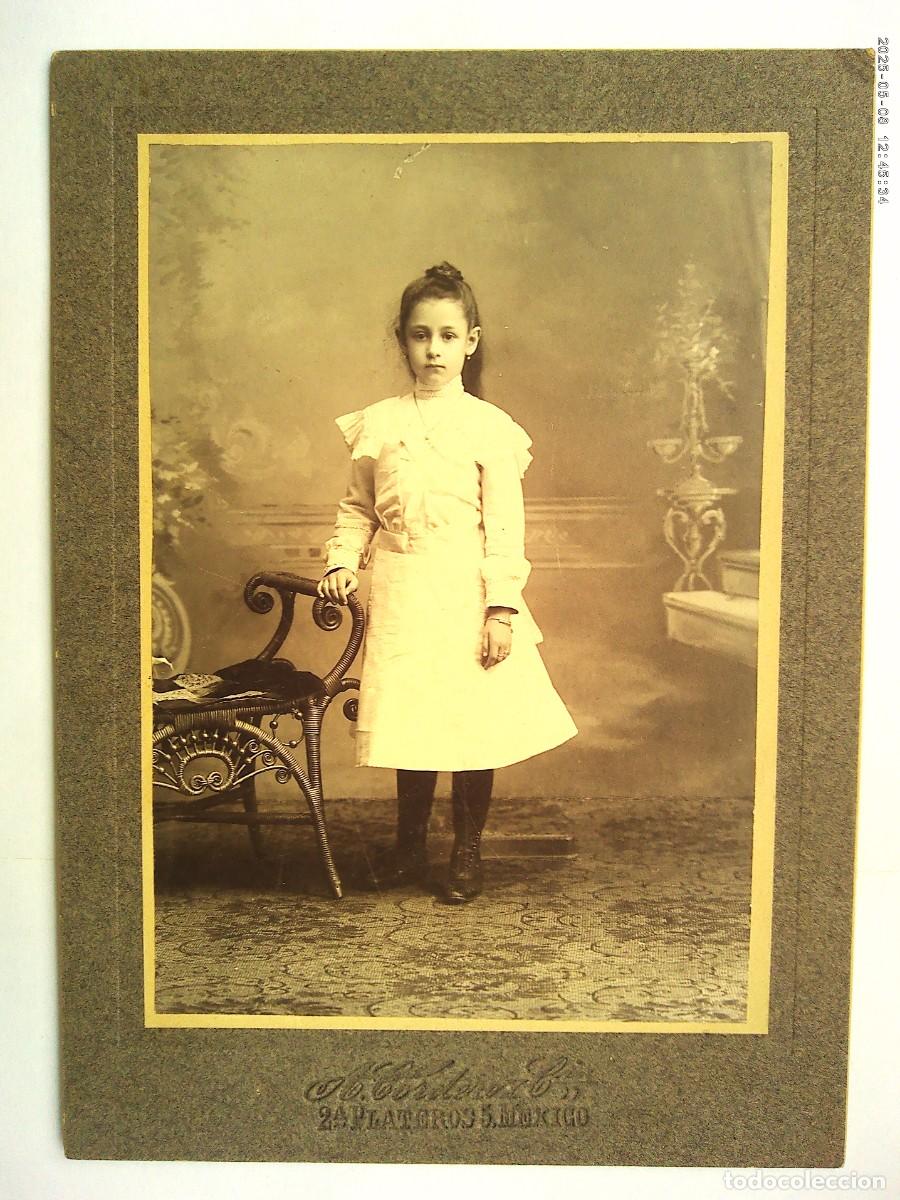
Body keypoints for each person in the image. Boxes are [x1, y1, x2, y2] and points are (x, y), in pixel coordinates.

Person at [317, 262, 577, 903]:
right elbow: (357, 507)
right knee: (412, 716)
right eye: (418, 335)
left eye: (447, 336)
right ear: (401, 340)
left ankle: (466, 851)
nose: (432, 350)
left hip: (464, 588)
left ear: (471, 341)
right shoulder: (379, 422)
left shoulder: (489, 427)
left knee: (468, 721)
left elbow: (505, 529)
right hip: (403, 587)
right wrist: (342, 561)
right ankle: (408, 849)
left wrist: (500, 609)